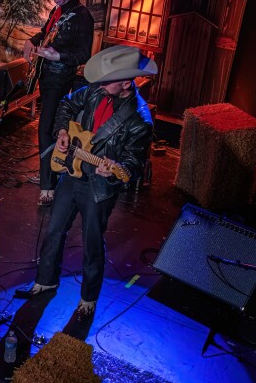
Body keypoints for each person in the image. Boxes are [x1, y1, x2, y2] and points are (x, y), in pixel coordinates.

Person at [21, 45, 156, 317]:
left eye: (108, 81)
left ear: (127, 83)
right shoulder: (96, 90)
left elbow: (133, 164)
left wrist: (117, 170)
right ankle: (46, 280)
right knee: (54, 230)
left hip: (99, 185)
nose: (101, 84)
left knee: (91, 241)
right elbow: (67, 103)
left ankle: (89, 297)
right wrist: (62, 130)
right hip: (72, 172)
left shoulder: (140, 120)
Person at [23, 0, 94, 205]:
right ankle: (48, 175)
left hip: (62, 80)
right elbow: (44, 33)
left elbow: (84, 54)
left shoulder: (82, 16)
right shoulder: (58, 11)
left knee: (47, 129)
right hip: (47, 77)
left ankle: (48, 187)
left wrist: (58, 57)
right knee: (47, 128)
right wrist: (30, 41)